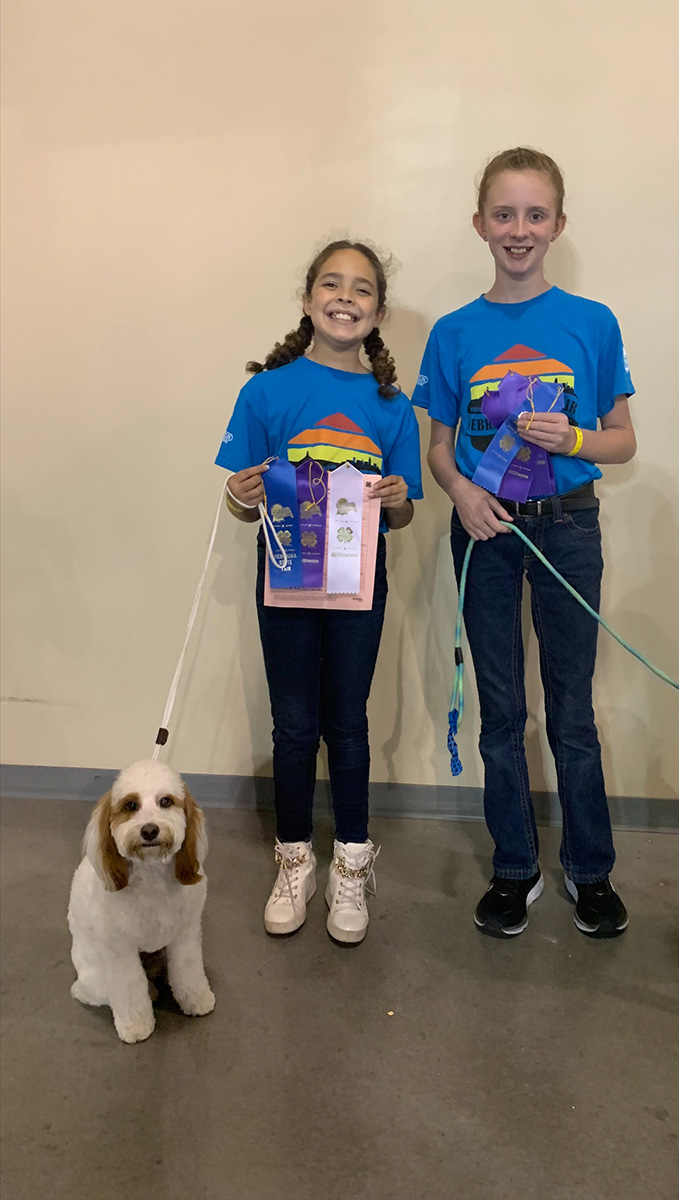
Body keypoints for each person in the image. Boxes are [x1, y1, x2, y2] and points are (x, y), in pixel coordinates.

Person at [413, 148, 636, 940]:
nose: (519, 229)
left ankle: (589, 870)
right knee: (501, 711)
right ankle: (514, 868)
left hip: (570, 529)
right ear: (480, 224)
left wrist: (572, 432)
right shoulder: (452, 332)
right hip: (487, 534)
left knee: (572, 712)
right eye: (503, 215)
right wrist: (464, 492)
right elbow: (437, 446)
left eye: (535, 214)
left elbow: (622, 441)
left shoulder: (592, 322)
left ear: (558, 225)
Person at [216, 240, 422, 945]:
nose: (345, 297)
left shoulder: (393, 406)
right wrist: (240, 494)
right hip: (286, 580)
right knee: (295, 726)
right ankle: (295, 859)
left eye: (361, 289)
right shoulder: (265, 392)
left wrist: (396, 496)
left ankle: (353, 865)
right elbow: (244, 500)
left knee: (349, 724)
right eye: (330, 285)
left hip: (359, 586)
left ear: (378, 311)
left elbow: (404, 510)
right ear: (307, 302)